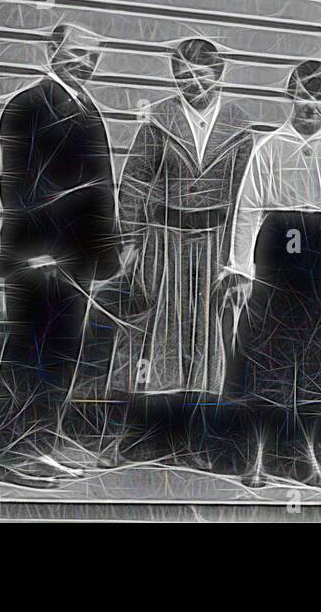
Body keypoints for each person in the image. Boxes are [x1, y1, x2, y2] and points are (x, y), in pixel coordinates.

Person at [0, 23, 122, 488]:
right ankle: (6, 451)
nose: (85, 63)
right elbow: (16, 186)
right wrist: (31, 251)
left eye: (93, 56)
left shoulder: (87, 106)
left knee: (61, 356)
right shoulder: (26, 106)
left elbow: (100, 184)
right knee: (28, 355)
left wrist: (106, 249)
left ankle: (41, 442)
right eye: (77, 53)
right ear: (51, 50)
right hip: (39, 257)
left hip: (77, 256)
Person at [225, 60, 321, 487]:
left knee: (316, 356)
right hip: (276, 255)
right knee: (265, 352)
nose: (309, 105)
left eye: (319, 96)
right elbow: (249, 209)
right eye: (301, 95)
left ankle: (309, 455)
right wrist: (242, 269)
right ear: (288, 97)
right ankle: (256, 456)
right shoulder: (269, 148)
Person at [110, 38, 250, 470]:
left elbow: (249, 197)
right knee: (158, 334)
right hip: (164, 240)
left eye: (201, 75)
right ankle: (148, 436)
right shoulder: (159, 120)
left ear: (219, 74)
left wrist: (242, 260)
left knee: (207, 337)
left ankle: (200, 441)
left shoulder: (240, 125)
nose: (193, 83)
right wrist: (130, 241)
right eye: (183, 75)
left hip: (215, 244)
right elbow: (134, 182)